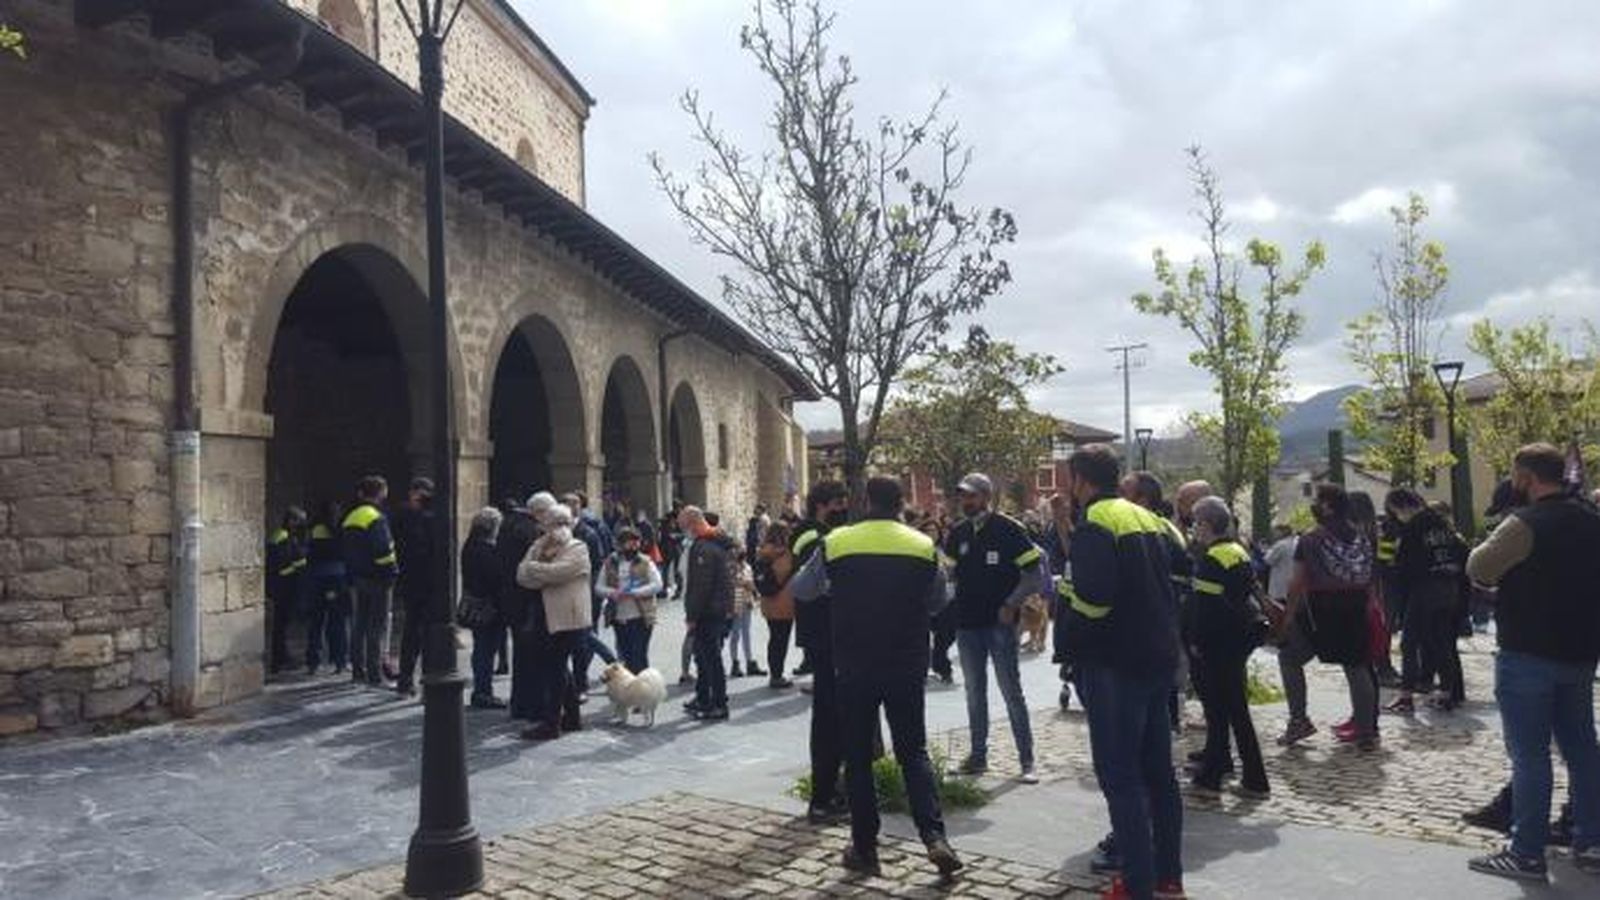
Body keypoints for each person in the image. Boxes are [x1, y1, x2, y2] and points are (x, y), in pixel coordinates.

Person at [789, 477, 963, 878]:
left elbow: (802, 589)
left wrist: (836, 587)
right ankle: (934, 837)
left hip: (854, 662)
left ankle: (865, 848)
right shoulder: (922, 545)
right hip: (906, 661)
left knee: (857, 757)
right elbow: (939, 601)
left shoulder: (837, 542)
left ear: (865, 501)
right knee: (913, 751)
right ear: (901, 503)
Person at [1054, 444, 1185, 900]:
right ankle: (1169, 880)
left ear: (1080, 480)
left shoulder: (1096, 521)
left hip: (1114, 663)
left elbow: (1094, 600)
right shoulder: (1148, 518)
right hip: (1157, 657)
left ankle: (1137, 884)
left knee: (1121, 776)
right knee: (1160, 775)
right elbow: (1181, 571)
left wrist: (1069, 620)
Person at [1465, 443, 1600, 881]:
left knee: (1530, 755)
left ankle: (1526, 852)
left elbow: (1479, 568)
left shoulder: (1524, 523)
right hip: (1581, 651)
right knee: (1583, 749)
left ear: (1525, 477)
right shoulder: (1593, 520)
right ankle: (1592, 840)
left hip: (1528, 652)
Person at [945, 472, 1044, 783]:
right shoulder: (957, 533)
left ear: (987, 497)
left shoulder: (1009, 529)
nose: (966, 501)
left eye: (972, 496)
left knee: (1011, 691)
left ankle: (1027, 761)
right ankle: (978, 757)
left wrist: (1011, 603)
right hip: (966, 625)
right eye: (963, 496)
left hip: (999, 626)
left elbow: (1034, 575)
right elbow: (948, 577)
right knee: (975, 693)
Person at [1276, 483, 1379, 749]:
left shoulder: (1310, 540)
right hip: (1356, 607)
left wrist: (1288, 617)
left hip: (1320, 610)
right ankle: (1366, 731)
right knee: (1356, 666)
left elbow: (1297, 582)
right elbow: (1371, 577)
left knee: (1289, 658)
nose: (1314, 505)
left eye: (1318, 500)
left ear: (1328, 506)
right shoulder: (1363, 538)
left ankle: (1298, 720)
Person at [1185, 497, 1270, 798]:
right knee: (1234, 709)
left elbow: (1206, 608)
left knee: (1220, 709)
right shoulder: (1237, 551)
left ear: (1207, 524)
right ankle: (1238, 771)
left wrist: (1196, 642)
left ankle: (1216, 778)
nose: (1193, 529)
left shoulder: (1211, 560)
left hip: (1219, 643)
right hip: (1240, 637)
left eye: (1196, 523)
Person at [794, 480, 852, 823]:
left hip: (826, 635)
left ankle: (832, 791)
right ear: (822, 505)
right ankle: (824, 797)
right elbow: (815, 586)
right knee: (829, 718)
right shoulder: (813, 537)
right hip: (825, 635)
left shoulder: (819, 534)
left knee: (834, 716)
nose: (843, 509)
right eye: (838, 503)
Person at [1382, 488, 1468, 715]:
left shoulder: (1413, 527)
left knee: (1409, 643)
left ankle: (1406, 696)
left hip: (1424, 589)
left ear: (1400, 507)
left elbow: (1404, 565)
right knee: (1442, 642)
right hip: (1449, 587)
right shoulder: (1443, 525)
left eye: (1395, 512)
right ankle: (1447, 694)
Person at [517, 502, 592, 741]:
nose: (551, 531)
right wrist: (540, 573)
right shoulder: (538, 545)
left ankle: (552, 722)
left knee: (556, 667)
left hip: (567, 617)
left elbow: (561, 572)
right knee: (555, 665)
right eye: (548, 525)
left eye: (556, 525)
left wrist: (535, 570)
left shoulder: (577, 548)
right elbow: (521, 575)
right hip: (543, 614)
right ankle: (572, 717)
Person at [342, 475, 398, 687]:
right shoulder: (376, 517)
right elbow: (384, 550)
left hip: (358, 578)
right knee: (377, 627)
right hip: (379, 578)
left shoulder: (350, 517)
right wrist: (392, 572)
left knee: (359, 625)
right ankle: (375, 675)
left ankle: (358, 671)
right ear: (381, 492)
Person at [681, 506, 736, 721]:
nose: (684, 531)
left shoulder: (704, 547)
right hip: (718, 608)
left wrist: (692, 616)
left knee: (711, 659)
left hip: (708, 611)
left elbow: (700, 587)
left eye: (685, 526)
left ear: (694, 523)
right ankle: (704, 698)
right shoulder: (716, 542)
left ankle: (719, 703)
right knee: (704, 657)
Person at [563, 491, 619, 694]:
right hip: (580, 590)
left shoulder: (589, 531)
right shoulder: (594, 525)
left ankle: (605, 662)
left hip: (585, 589)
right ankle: (590, 670)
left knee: (584, 633)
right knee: (586, 633)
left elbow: (599, 561)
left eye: (572, 505)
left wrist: (597, 589)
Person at [500, 495, 545, 722]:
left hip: (510, 599)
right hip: (527, 600)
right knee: (530, 656)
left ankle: (518, 703)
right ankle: (529, 704)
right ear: (540, 512)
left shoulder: (507, 524)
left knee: (520, 654)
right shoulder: (529, 531)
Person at [392, 477, 437, 698]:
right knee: (416, 632)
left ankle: (414, 680)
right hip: (419, 579)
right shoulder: (409, 516)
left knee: (419, 631)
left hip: (416, 579)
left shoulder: (416, 515)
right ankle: (410, 680)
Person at [596, 526, 662, 674]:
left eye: (636, 542)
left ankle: (643, 685)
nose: (634, 546)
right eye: (629, 542)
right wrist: (612, 593)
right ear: (620, 544)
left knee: (639, 656)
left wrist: (636, 593)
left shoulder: (646, 561)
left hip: (641, 616)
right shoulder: (610, 562)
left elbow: (657, 584)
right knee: (626, 655)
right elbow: (599, 587)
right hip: (619, 617)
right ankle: (631, 686)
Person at [461, 507, 507, 708]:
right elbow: (495, 579)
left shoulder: (470, 545)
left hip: (475, 603)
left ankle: (482, 691)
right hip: (487, 606)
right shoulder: (486, 550)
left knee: (481, 648)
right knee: (485, 650)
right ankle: (482, 692)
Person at [303, 501, 350, 675]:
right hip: (336, 579)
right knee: (337, 621)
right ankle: (339, 661)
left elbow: (308, 552)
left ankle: (313, 662)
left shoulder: (314, 529)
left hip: (316, 579)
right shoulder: (340, 530)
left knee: (316, 621)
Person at [753, 521, 797, 689]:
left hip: (768, 602)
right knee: (781, 640)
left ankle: (775, 673)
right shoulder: (786, 554)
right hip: (784, 603)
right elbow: (787, 572)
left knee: (774, 638)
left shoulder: (763, 552)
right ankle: (777, 676)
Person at [265, 506, 307, 675]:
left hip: (282, 585)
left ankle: (282, 657)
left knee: (282, 624)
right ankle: (278, 660)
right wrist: (301, 561)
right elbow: (285, 562)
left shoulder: (282, 535)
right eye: (298, 521)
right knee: (280, 625)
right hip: (284, 586)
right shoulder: (283, 537)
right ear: (290, 521)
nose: (300, 526)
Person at [729, 547, 764, 678]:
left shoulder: (747, 567)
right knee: (735, 634)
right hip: (736, 604)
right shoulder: (731, 567)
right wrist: (744, 583)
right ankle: (735, 662)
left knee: (746, 634)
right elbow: (731, 583)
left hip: (747, 602)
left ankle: (749, 661)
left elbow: (751, 583)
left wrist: (755, 593)